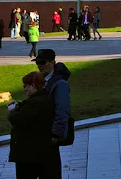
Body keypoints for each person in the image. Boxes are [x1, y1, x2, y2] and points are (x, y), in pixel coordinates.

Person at [8, 71, 55, 178]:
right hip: (39, 151)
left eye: (25, 86)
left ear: (33, 85)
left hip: (28, 154)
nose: (24, 89)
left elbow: (17, 119)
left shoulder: (34, 103)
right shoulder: (45, 99)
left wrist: (11, 111)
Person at [34, 48, 72, 177]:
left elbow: (62, 111)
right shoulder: (44, 80)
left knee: (51, 171)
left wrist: (55, 134)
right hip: (43, 133)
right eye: (37, 63)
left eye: (43, 62)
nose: (40, 66)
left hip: (51, 135)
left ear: (52, 62)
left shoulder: (59, 84)